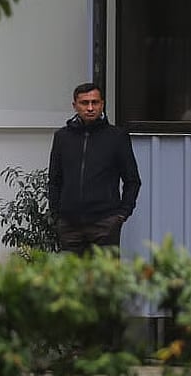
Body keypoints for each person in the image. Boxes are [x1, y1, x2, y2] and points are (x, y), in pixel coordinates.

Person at [48, 83, 142, 256]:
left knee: (105, 280)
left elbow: (132, 180)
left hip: (105, 223)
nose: (90, 108)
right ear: (75, 105)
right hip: (69, 225)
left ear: (102, 104)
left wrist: (121, 215)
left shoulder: (117, 137)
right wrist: (56, 214)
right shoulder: (62, 137)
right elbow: (55, 179)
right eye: (84, 103)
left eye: (95, 102)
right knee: (71, 280)